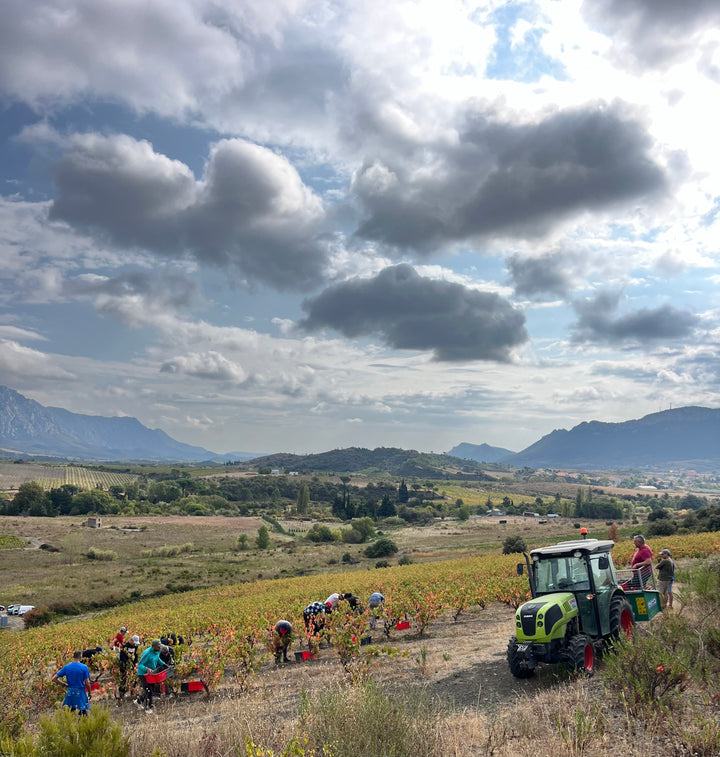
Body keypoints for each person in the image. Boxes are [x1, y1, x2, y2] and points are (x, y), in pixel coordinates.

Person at [51, 650, 92, 715]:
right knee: (83, 713)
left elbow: (54, 678)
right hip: (80, 692)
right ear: (80, 657)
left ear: (73, 657)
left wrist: (64, 684)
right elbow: (87, 683)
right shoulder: (84, 667)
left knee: (69, 713)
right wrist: (89, 692)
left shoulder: (67, 667)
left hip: (70, 692)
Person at [135, 639, 166, 713]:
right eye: (158, 647)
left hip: (152, 673)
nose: (159, 648)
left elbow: (157, 659)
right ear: (153, 646)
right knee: (148, 691)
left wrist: (164, 664)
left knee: (150, 689)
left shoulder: (157, 651)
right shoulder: (147, 653)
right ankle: (149, 708)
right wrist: (146, 669)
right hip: (143, 674)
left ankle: (139, 701)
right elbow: (140, 665)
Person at [117, 635, 139, 702]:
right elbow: (122, 657)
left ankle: (132, 692)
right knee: (123, 679)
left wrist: (135, 663)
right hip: (124, 666)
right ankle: (122, 694)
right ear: (131, 640)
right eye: (134, 642)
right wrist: (127, 665)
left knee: (134, 679)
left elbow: (136, 655)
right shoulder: (125, 647)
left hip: (132, 666)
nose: (134, 644)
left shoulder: (135, 646)